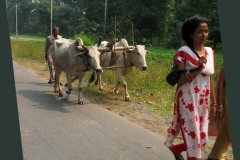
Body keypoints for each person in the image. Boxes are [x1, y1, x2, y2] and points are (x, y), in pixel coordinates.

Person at [164, 15, 217, 160]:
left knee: (201, 136)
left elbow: (210, 78)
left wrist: (215, 102)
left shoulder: (210, 53)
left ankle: (176, 149)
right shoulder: (184, 52)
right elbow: (180, 81)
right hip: (188, 98)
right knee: (193, 135)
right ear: (191, 34)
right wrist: (198, 68)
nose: (204, 35)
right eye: (200, 31)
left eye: (206, 31)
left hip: (203, 99)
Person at [208, 60, 231, 160]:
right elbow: (220, 82)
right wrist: (219, 104)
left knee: (227, 129)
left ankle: (215, 156)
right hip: (226, 98)